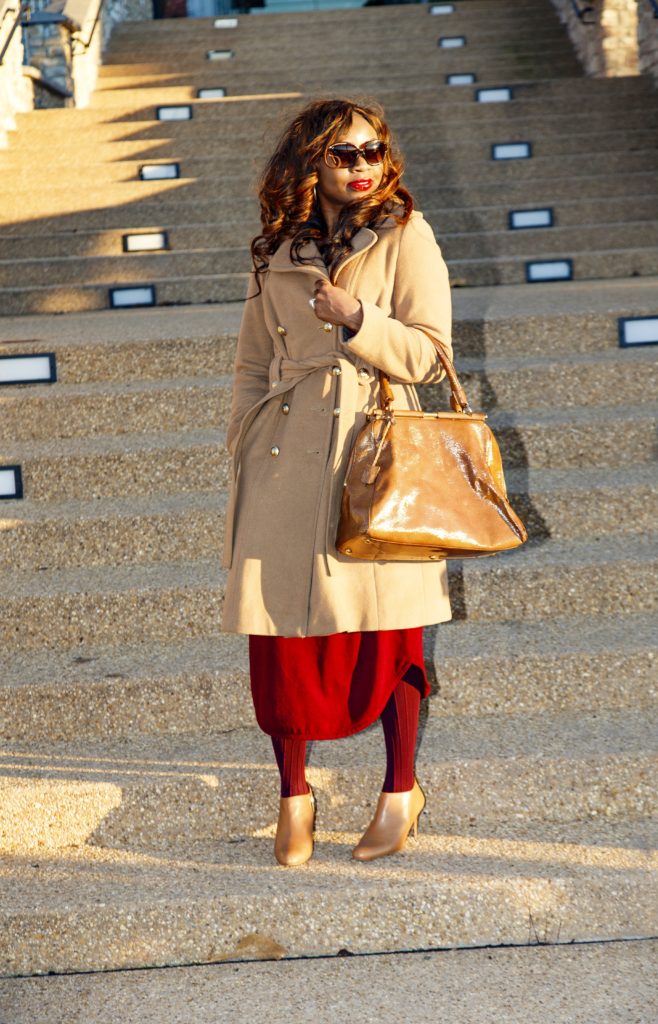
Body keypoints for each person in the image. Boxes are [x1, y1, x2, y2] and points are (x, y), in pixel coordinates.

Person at [220, 96, 455, 866]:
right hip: (285, 455)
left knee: (389, 629)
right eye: (345, 154)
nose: (363, 167)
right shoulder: (274, 250)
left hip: (372, 446)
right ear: (310, 162)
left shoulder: (405, 235)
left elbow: (428, 355)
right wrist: (246, 439)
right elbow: (254, 360)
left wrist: (358, 319)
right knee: (279, 635)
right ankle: (293, 799)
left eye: (374, 151)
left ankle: (399, 790)